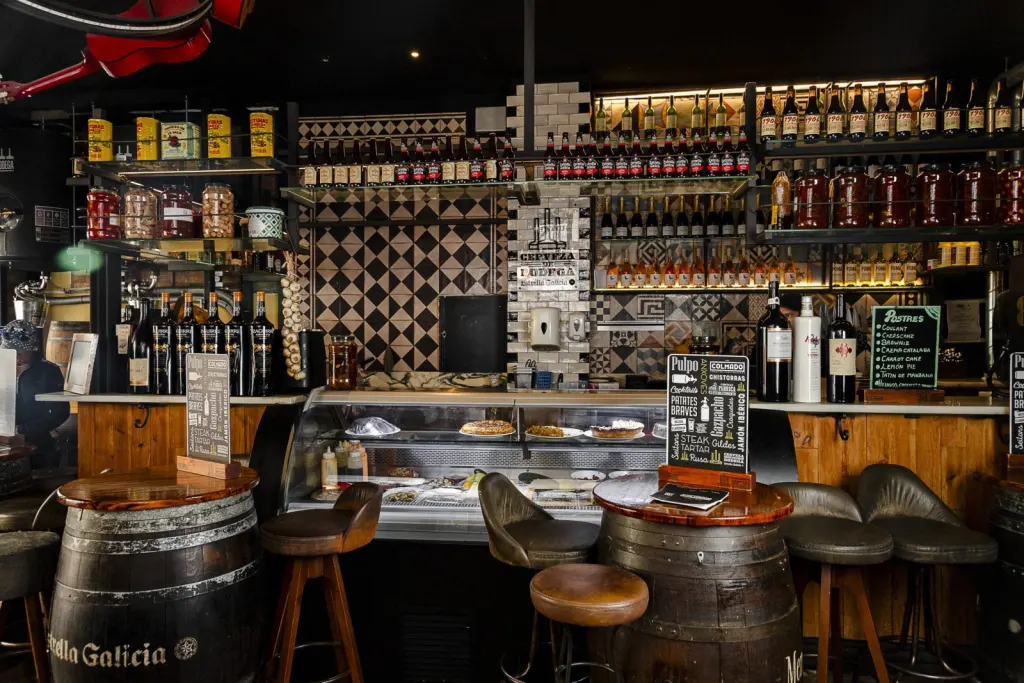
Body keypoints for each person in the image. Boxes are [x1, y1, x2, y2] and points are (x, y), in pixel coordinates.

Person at [1, 319, 69, 468]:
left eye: (20, 353)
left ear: (33, 348)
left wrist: (23, 432)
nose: (16, 357)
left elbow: (60, 412)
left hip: (38, 441)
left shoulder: (48, 372)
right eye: (10, 351)